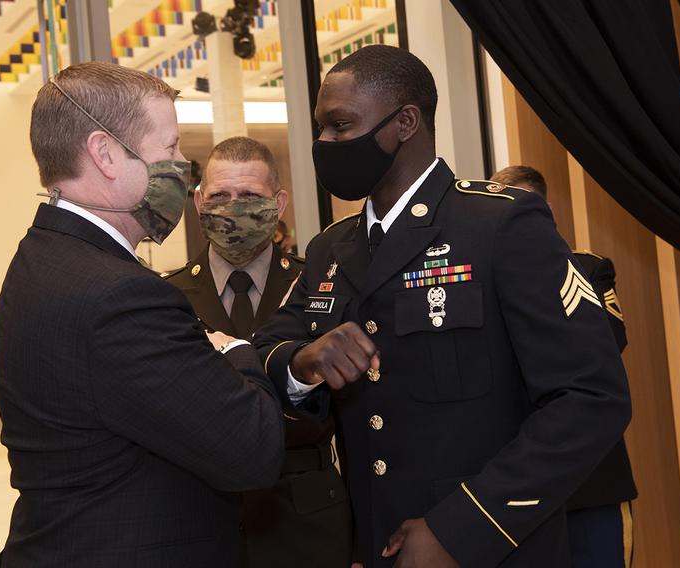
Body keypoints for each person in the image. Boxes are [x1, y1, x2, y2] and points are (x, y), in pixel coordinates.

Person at [253, 45, 631, 567]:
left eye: (340, 126)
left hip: (493, 546)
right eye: (321, 127)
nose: (324, 143)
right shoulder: (330, 249)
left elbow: (590, 398)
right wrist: (305, 360)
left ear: (405, 122)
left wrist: (464, 528)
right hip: (378, 548)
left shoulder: (500, 225)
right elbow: (268, 351)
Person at [0, 62, 284, 567]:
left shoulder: (42, 257)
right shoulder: (121, 295)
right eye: (169, 147)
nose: (181, 164)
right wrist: (234, 351)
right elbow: (251, 448)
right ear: (105, 153)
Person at [164, 136, 352, 567]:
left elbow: (355, 420)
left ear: (279, 203)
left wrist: (360, 543)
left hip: (308, 524)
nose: (234, 207)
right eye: (220, 196)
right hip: (201, 519)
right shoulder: (165, 295)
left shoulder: (319, 289)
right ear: (198, 201)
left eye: (250, 196)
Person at [491, 165, 638, 567]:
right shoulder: (483, 280)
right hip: (519, 486)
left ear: (545, 211)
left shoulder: (587, 268)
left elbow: (609, 339)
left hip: (594, 480)